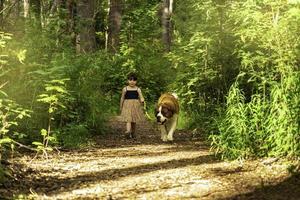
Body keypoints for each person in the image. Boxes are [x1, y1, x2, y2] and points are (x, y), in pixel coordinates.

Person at [120, 73, 145, 139]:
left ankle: (133, 132)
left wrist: (142, 100)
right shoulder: (125, 89)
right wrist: (121, 105)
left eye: (134, 80)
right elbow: (122, 97)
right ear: (128, 81)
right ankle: (128, 132)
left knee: (134, 120)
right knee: (128, 119)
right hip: (127, 105)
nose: (132, 81)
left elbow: (141, 96)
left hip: (135, 105)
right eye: (130, 80)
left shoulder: (138, 89)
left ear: (136, 81)